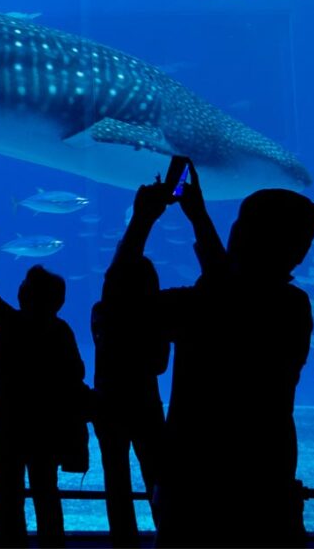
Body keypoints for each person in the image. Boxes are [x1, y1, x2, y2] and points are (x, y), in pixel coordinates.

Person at [147, 165, 314, 548]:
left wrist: (144, 222)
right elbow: (237, 292)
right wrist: (200, 218)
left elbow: (118, 307)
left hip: (195, 472)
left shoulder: (202, 303)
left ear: (241, 236)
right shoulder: (294, 306)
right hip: (266, 469)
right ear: (297, 251)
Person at [0, 218, 86, 549]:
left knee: (9, 494)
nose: (20, 286)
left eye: (24, 283)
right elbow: (77, 372)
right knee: (46, 493)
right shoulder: (61, 330)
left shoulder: (10, 323)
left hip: (9, 423)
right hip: (46, 426)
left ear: (26, 295)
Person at [92, 188, 171, 547]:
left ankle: (123, 542)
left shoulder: (102, 312)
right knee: (158, 475)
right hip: (146, 404)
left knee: (116, 481)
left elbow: (117, 275)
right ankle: (168, 535)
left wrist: (142, 218)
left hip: (108, 402)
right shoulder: (158, 319)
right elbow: (159, 365)